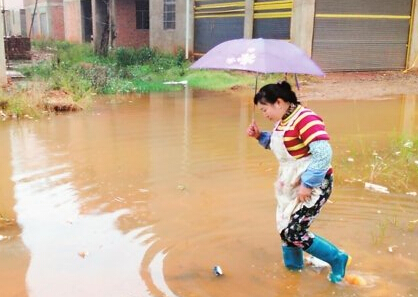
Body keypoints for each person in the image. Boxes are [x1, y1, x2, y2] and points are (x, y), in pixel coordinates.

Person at [247, 81, 351, 283]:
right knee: (285, 229)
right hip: (289, 182)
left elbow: (323, 154)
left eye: (264, 108)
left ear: (278, 102)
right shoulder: (284, 119)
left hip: (314, 183)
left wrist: (308, 184)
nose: (264, 114)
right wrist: (260, 136)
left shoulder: (306, 118)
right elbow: (286, 149)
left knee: (294, 231)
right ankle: (293, 272)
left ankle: (338, 259)